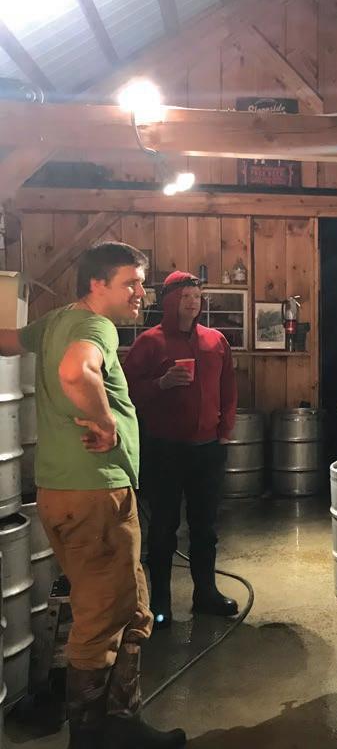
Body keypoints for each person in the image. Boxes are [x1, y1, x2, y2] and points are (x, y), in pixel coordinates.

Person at [0, 242, 186, 748]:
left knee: (130, 608)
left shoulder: (56, 320)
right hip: (95, 494)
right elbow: (74, 371)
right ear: (97, 284)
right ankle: (90, 738)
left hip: (62, 492)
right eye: (131, 283)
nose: (141, 292)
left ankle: (121, 722)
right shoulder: (95, 327)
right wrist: (105, 422)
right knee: (101, 621)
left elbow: (8, 341)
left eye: (142, 283)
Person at [123, 271, 237, 630]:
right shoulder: (149, 342)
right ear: (171, 301)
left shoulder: (216, 340)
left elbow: (229, 389)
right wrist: (161, 382)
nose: (193, 302)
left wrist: (225, 431)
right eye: (186, 296)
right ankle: (160, 603)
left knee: (206, 527)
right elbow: (124, 391)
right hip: (165, 449)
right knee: (163, 528)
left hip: (208, 449)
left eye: (197, 296)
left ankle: (206, 594)